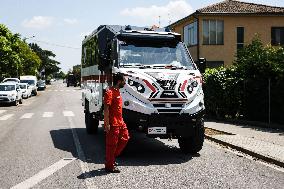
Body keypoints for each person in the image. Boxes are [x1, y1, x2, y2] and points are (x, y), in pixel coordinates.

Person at [104, 73, 129, 173]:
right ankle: (110, 166)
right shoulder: (109, 92)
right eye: (124, 81)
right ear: (119, 81)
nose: (125, 83)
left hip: (120, 122)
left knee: (125, 138)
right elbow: (106, 109)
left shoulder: (117, 91)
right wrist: (106, 124)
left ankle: (111, 157)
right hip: (113, 123)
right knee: (112, 145)